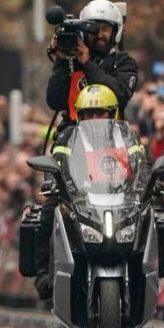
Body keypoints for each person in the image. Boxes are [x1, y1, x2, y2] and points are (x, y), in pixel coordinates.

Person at [32, 85, 121, 300]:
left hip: (119, 199)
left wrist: (149, 182)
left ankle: (149, 273)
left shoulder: (124, 136)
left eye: (101, 113)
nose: (95, 118)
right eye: (89, 114)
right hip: (78, 198)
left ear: (113, 113)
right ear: (80, 116)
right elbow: (57, 163)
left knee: (153, 216)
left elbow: (140, 163)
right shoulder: (68, 137)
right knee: (48, 213)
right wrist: (54, 183)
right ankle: (44, 274)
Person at [45, 0, 139, 132]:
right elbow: (55, 102)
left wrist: (87, 63)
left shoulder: (123, 63)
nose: (99, 35)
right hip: (72, 139)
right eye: (93, 30)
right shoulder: (71, 62)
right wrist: (61, 62)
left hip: (112, 137)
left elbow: (119, 95)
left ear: (116, 32)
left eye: (105, 29)